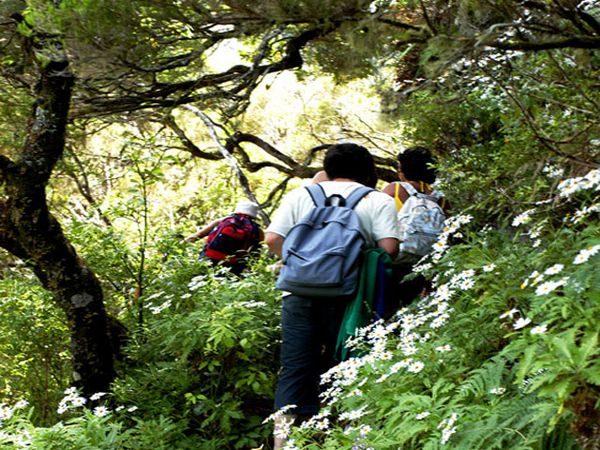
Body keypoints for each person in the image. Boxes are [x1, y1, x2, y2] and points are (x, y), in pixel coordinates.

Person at [265, 143, 399, 448]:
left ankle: (283, 442)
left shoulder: (301, 194)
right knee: (350, 362)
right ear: (369, 171)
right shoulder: (377, 199)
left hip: (298, 293)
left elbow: (272, 238)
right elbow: (389, 249)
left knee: (295, 367)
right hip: (350, 296)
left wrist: (301, 262)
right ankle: (348, 436)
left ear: (329, 168)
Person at [382, 146, 449, 315]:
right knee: (411, 306)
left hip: (396, 259)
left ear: (403, 171)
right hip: (425, 264)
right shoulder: (441, 199)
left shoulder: (394, 190)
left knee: (388, 307)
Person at [183, 201, 264, 276]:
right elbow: (256, 254)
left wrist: (182, 243)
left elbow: (199, 235)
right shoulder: (258, 231)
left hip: (208, 259)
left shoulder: (222, 221)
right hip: (234, 266)